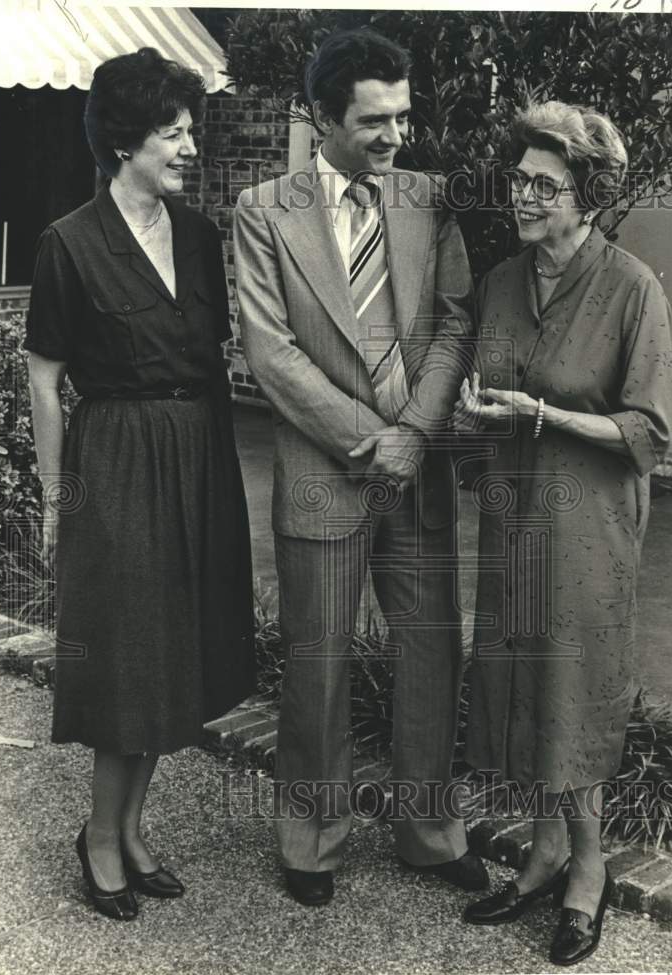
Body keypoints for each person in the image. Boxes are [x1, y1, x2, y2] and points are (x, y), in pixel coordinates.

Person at [233, 27, 485, 907]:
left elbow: (455, 324)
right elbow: (270, 352)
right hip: (321, 471)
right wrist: (373, 438)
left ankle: (428, 832)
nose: (392, 138)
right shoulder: (265, 209)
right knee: (317, 662)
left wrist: (415, 432)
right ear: (320, 117)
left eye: (401, 118)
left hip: (418, 473)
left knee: (429, 654)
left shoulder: (428, 199)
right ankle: (311, 840)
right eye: (373, 121)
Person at [25, 47, 256, 921]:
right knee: (128, 659)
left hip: (198, 453)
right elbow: (46, 378)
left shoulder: (198, 238)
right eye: (173, 132)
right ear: (125, 142)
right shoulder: (69, 244)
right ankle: (97, 833)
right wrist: (58, 499)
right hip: (116, 460)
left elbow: (212, 358)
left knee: (177, 656)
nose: (189, 147)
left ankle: (129, 828)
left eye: (190, 130)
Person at [453, 101, 672, 964]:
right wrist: (480, 414)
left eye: (544, 185)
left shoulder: (632, 289)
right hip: (515, 514)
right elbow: (489, 386)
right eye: (519, 180)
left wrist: (543, 413)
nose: (523, 196)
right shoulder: (504, 282)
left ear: (585, 196)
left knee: (572, 689)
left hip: (588, 525)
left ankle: (587, 872)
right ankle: (543, 853)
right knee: (520, 680)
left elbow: (647, 432)